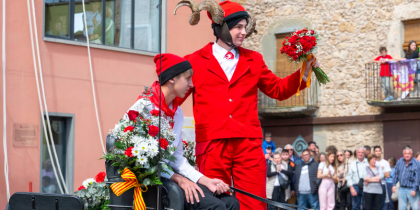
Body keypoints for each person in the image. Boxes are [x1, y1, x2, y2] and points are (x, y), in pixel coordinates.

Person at [176, 1, 320, 209]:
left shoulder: (254, 60)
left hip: (248, 143)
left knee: (254, 202)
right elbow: (175, 97)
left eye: (245, 27)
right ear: (222, 27)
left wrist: (304, 71)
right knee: (216, 202)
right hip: (212, 144)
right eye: (238, 27)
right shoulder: (194, 61)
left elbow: (277, 90)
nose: (244, 32)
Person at [127, 53, 238, 210]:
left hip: (170, 177)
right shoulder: (144, 107)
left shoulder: (177, 112)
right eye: (187, 78)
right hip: (153, 181)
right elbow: (139, 159)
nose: (191, 84)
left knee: (231, 202)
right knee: (215, 206)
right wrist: (179, 179)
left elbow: (177, 158)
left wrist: (205, 180)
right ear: (172, 78)